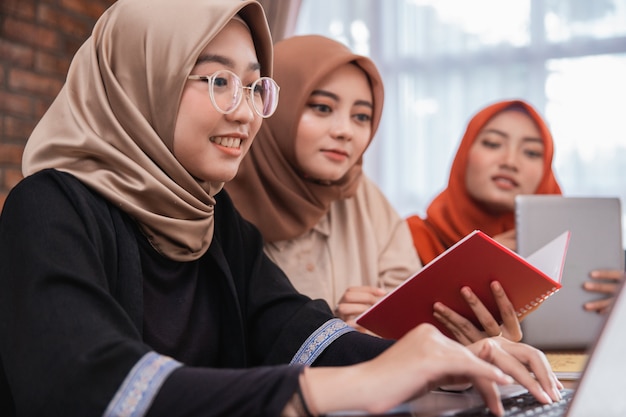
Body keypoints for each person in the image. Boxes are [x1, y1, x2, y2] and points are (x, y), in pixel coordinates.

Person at [0, 1, 564, 415]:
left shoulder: (216, 225)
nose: (246, 114)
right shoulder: (49, 209)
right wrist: (325, 391)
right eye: (220, 80)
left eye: (253, 88)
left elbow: (299, 332)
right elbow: (81, 384)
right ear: (137, 82)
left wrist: (442, 360)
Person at [225, 34, 422, 330]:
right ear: (270, 103)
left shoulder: (363, 196)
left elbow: (411, 304)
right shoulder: (215, 199)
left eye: (361, 116)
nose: (346, 131)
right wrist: (330, 335)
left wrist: (384, 320)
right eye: (322, 108)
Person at [406, 99, 625, 326]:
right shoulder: (406, 241)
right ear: (463, 156)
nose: (510, 162)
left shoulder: (584, 254)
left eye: (531, 152)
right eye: (492, 144)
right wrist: (476, 262)